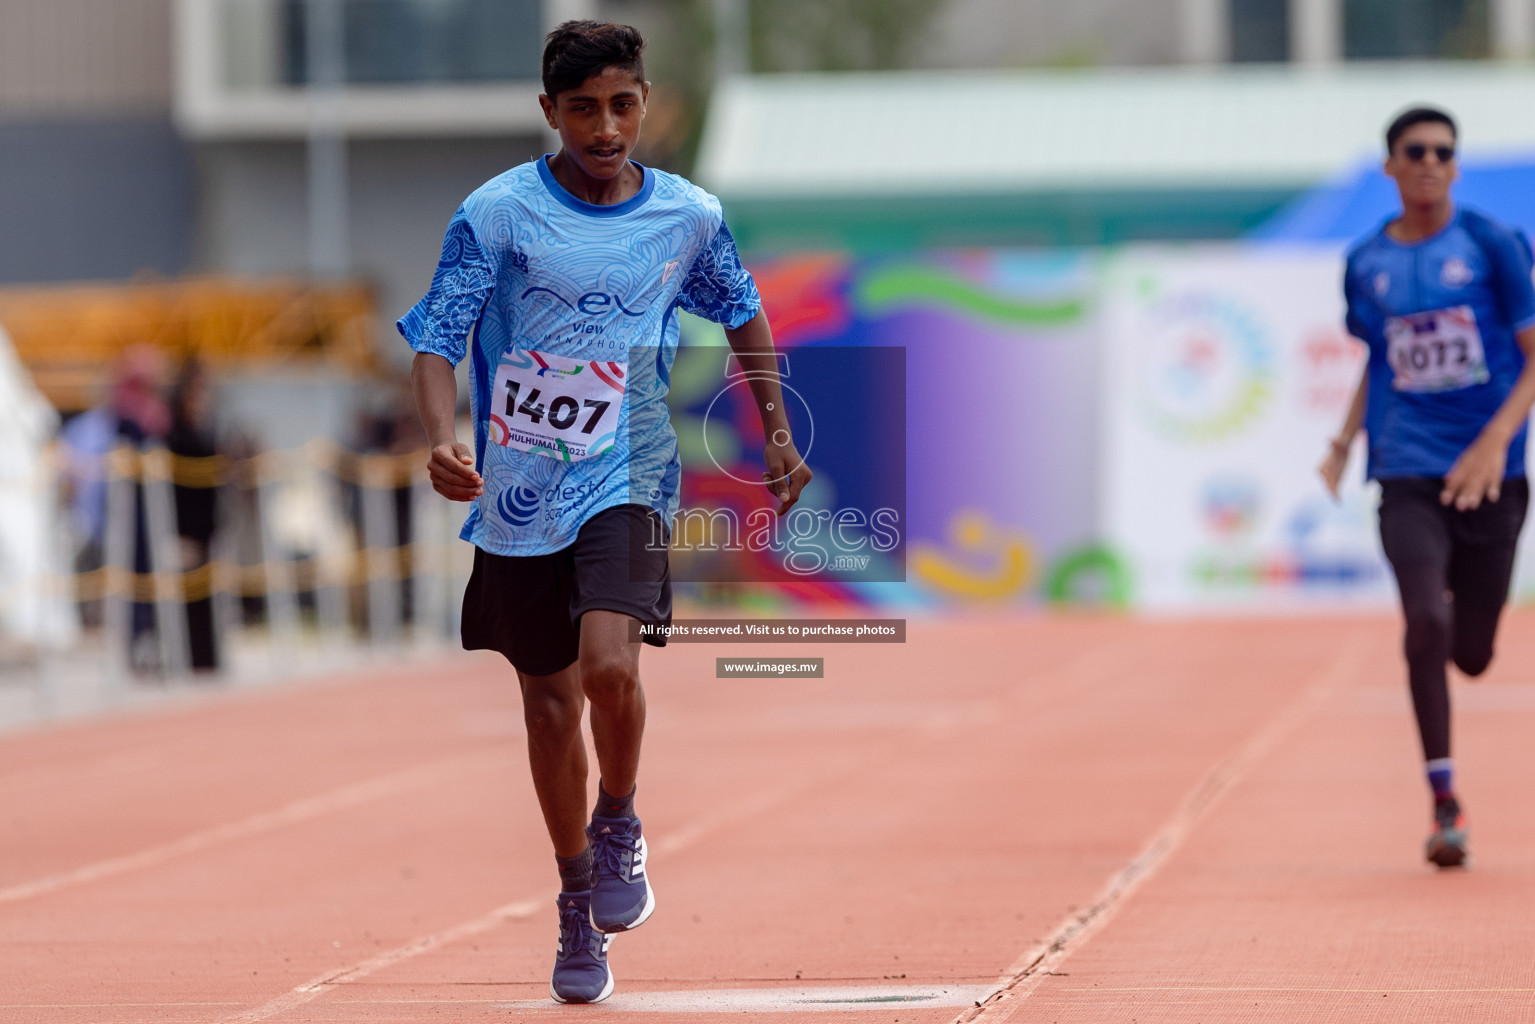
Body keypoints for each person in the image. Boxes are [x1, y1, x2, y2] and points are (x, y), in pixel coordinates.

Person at [399, 21, 811, 1004]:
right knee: (547, 705)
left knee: (607, 669)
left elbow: (742, 305)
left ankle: (617, 814)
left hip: (627, 474)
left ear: (644, 103)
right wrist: (440, 435)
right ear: (549, 111)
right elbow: (434, 335)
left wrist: (775, 428)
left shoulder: (687, 217)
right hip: (518, 490)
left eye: (621, 104)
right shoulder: (494, 215)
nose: (604, 125)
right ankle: (575, 901)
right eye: (582, 107)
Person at [1322, 106, 1535, 869]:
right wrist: (1344, 442)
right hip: (1405, 467)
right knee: (1425, 625)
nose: (1429, 162)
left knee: (1471, 654)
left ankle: (1457, 628)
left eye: (1443, 152)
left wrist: (1491, 442)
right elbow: (1379, 361)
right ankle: (1443, 799)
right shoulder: (1364, 262)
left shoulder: (1491, 245)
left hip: (1490, 478)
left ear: (1454, 165)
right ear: (1390, 166)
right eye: (1414, 151)